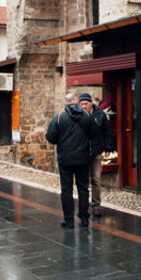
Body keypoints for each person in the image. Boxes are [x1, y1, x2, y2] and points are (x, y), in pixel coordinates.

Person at [46, 92, 96, 228]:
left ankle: (69, 220)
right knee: (83, 188)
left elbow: (50, 137)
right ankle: (84, 218)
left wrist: (62, 141)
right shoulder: (87, 116)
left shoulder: (59, 117)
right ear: (77, 102)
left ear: (64, 103)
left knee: (66, 189)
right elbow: (94, 134)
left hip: (65, 158)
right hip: (83, 158)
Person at [79, 93, 115, 218]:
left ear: (90, 103)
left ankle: (96, 206)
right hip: (82, 152)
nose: (83, 106)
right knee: (83, 180)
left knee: (96, 179)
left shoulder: (100, 114)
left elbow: (107, 132)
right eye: (81, 104)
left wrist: (108, 147)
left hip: (96, 151)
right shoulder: (78, 115)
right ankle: (83, 207)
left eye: (85, 104)